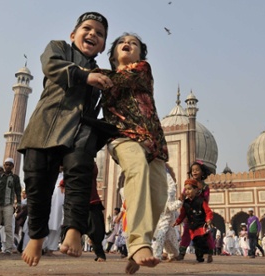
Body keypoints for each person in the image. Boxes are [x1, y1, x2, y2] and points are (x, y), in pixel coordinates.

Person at [17, 12, 111, 267]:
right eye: (87, 29)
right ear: (73, 35)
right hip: (46, 124)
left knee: (80, 176)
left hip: (81, 129)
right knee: (37, 184)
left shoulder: (102, 74)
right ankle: (36, 235)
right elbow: (51, 65)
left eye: (99, 34)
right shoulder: (59, 48)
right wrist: (84, 76)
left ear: (102, 46)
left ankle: (74, 230)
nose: (92, 34)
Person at [98, 33, 169, 274]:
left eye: (134, 43)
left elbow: (115, 80)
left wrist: (86, 74)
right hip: (123, 136)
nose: (128, 43)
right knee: (137, 168)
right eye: (122, 42)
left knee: (159, 196)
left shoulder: (141, 69)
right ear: (113, 53)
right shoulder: (102, 76)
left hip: (154, 143)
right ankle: (139, 244)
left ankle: (137, 249)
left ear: (141, 54)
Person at [177, 160, 212, 261]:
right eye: (193, 170)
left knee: (205, 234)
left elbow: (206, 200)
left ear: (202, 172)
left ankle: (208, 254)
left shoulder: (205, 187)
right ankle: (181, 253)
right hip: (190, 213)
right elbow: (184, 195)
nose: (194, 172)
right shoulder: (189, 183)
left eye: (197, 170)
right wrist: (182, 198)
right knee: (186, 233)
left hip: (200, 213)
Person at [0, 158, 22, 255]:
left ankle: (8, 249)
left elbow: (18, 191)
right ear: (4, 165)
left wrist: (18, 203)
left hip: (8, 205)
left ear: (12, 166)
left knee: (8, 228)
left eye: (9, 165)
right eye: (6, 164)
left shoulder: (15, 178)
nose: (8, 166)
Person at [152, 163, 182, 261]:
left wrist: (180, 201)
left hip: (167, 219)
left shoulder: (168, 193)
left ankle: (156, 255)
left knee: (161, 236)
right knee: (169, 239)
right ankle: (175, 254)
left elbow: (171, 206)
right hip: (161, 218)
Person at [86, 162, 107, 262]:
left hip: (92, 201)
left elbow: (94, 169)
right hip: (77, 202)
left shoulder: (90, 163)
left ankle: (100, 254)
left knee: (96, 230)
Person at [42, 168, 64, 256]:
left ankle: (50, 249)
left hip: (59, 204)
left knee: (56, 227)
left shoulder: (66, 177)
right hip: (47, 203)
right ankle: (42, 247)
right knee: (44, 225)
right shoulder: (48, 175)